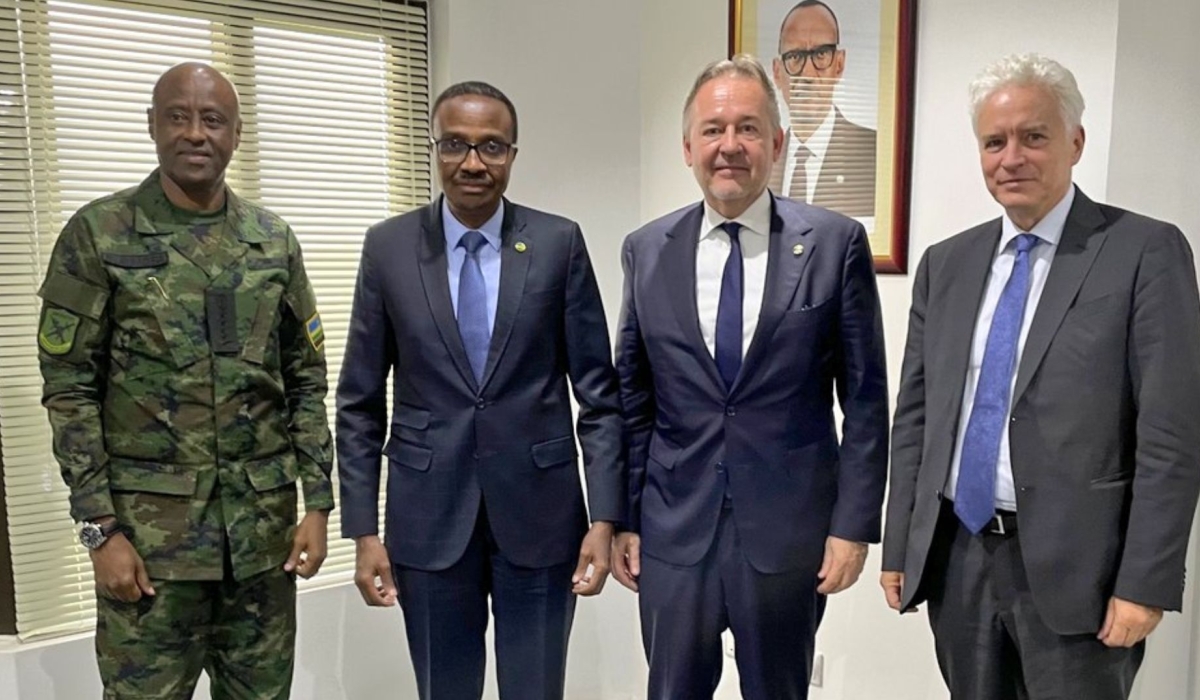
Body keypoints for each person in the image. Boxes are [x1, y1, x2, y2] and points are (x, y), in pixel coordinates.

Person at [881, 53, 1200, 700]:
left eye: (1034, 136)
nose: (1012, 157)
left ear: (1075, 141)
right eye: (994, 142)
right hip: (960, 556)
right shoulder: (947, 264)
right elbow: (916, 418)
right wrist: (898, 546)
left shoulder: (1145, 252)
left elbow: (1171, 433)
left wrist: (1147, 580)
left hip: (1081, 568)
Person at [37, 62, 333, 698]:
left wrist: (317, 501)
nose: (196, 133)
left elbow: (305, 378)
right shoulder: (99, 235)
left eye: (213, 120)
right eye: (179, 116)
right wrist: (100, 532)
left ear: (235, 134)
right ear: (151, 125)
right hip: (149, 555)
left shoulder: (272, 241)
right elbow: (68, 391)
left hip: (261, 548)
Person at [336, 81, 624, 700]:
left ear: (513, 153)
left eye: (491, 146)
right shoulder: (388, 249)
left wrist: (605, 517)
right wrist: (362, 530)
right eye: (456, 145)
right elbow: (359, 402)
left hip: (541, 518)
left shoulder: (556, 244)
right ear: (434, 150)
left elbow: (600, 397)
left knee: (536, 689)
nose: (473, 163)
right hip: (427, 518)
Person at [612, 55, 888, 700]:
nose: (729, 146)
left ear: (777, 142)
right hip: (674, 531)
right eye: (712, 130)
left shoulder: (833, 243)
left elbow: (867, 401)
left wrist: (853, 526)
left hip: (788, 531)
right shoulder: (646, 249)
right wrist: (622, 517)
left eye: (748, 128)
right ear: (688, 147)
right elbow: (633, 400)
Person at [769, 0, 877, 218]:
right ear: (777, 72)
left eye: (820, 55)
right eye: (795, 57)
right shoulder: (764, 161)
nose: (807, 74)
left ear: (839, 64)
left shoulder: (871, 154)